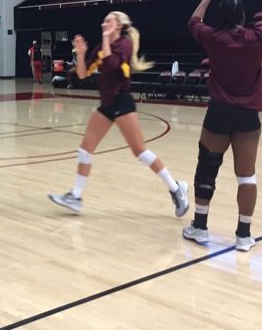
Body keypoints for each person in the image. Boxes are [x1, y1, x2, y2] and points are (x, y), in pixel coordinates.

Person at [48, 11, 188, 217]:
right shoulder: (100, 47)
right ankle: (76, 196)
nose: (104, 23)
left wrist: (106, 38)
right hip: (106, 105)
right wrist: (81, 53)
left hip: (122, 101)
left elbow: (112, 64)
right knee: (85, 150)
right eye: (103, 21)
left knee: (140, 152)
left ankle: (176, 189)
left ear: (119, 26)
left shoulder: (124, 44)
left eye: (108, 21)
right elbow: (82, 74)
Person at [183, 0, 262, 251]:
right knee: (247, 176)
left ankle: (200, 227)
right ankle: (243, 235)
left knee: (207, 168)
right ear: (244, 17)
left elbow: (193, 22)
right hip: (248, 115)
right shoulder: (256, 38)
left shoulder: (213, 38)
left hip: (219, 112)